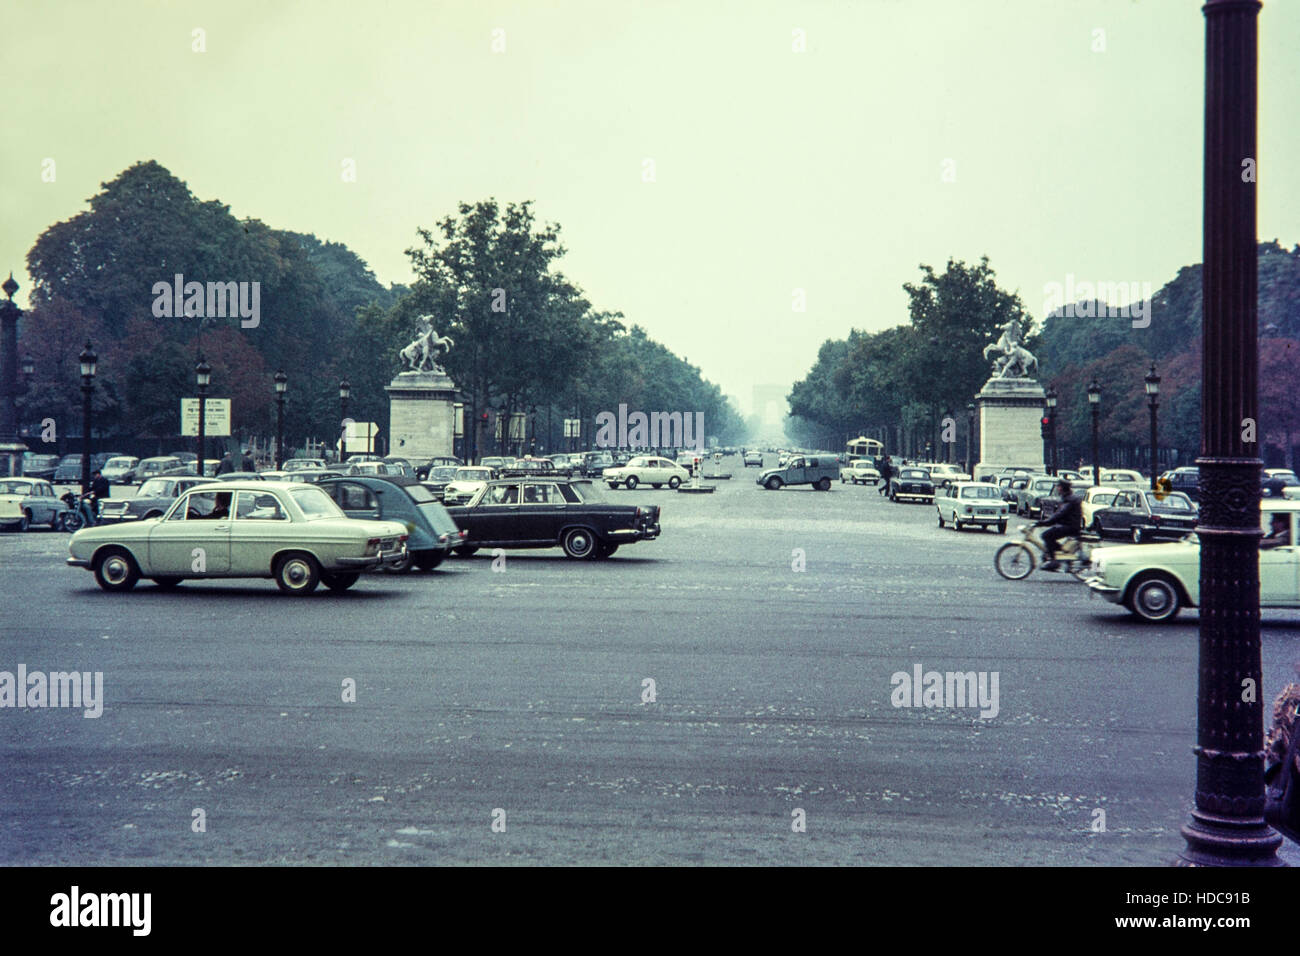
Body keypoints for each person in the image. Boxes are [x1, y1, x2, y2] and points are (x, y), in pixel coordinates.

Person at [1036, 479, 1083, 571]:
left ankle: (1055, 561)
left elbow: (1060, 514)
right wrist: (1048, 521)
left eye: (1058, 486)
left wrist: (1045, 522)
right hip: (1070, 525)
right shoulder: (1068, 498)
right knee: (1050, 534)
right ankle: (1060, 554)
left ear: (1062, 488)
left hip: (1070, 526)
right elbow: (1059, 514)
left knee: (1046, 535)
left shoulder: (1069, 500)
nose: (1057, 488)